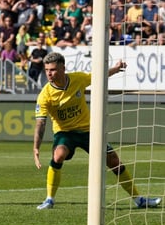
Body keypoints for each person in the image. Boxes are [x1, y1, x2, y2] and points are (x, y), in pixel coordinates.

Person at [33, 52, 162, 210]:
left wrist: (115, 68)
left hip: (88, 131)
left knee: (114, 161)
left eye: (52, 69)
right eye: (47, 70)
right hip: (65, 132)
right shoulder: (44, 95)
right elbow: (41, 123)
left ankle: (139, 199)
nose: (49, 73)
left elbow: (98, 76)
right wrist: (36, 147)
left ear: (63, 68)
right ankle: (49, 199)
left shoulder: (77, 79)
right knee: (58, 155)